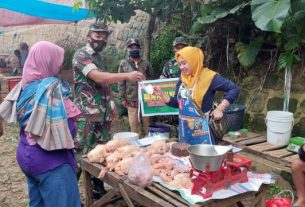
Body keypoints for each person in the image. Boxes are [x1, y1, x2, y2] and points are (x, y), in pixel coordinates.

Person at [0, 41, 82, 207]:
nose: (58, 67)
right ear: (47, 61)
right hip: (52, 164)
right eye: (56, 62)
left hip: (26, 156)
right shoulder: (51, 91)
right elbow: (69, 131)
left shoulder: (24, 87)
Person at [72, 23, 145, 198]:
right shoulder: (81, 55)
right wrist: (127, 75)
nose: (101, 40)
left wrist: (112, 102)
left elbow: (105, 83)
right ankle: (69, 195)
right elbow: (97, 76)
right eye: (97, 36)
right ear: (88, 36)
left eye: (105, 37)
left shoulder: (99, 58)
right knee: (80, 153)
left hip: (102, 113)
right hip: (87, 114)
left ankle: (97, 188)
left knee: (101, 151)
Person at [153, 46, 240, 145]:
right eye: (180, 64)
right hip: (184, 130)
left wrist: (220, 108)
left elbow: (234, 89)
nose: (181, 67)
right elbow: (178, 104)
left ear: (193, 60)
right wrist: (162, 94)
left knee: (203, 158)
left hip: (202, 129)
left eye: (184, 63)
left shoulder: (209, 77)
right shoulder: (182, 79)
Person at [118, 38, 152, 137]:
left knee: (147, 125)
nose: (134, 49)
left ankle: (149, 144)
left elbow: (152, 78)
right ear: (127, 49)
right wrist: (123, 98)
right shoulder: (123, 64)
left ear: (139, 48)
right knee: (134, 126)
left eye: (136, 47)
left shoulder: (146, 63)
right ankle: (135, 145)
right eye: (131, 47)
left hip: (146, 99)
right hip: (131, 100)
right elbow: (121, 82)